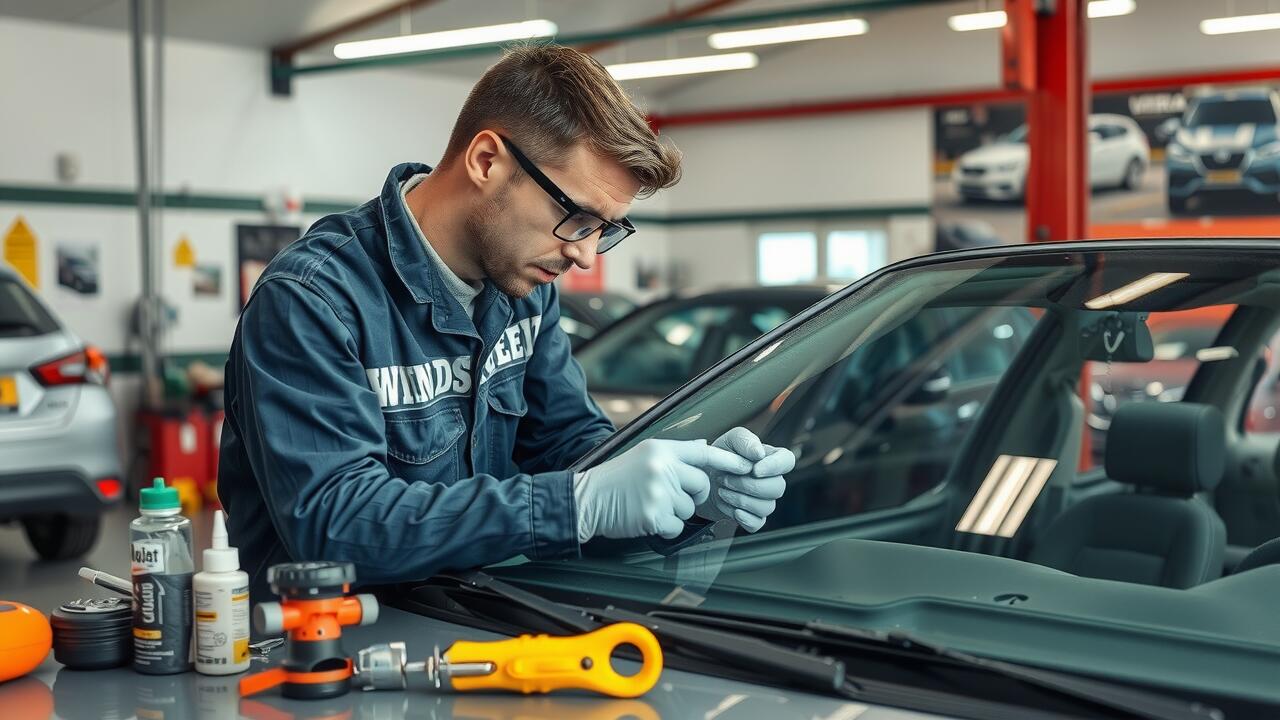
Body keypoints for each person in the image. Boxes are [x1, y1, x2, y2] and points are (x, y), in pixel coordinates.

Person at [218, 44, 794, 600]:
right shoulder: (313, 299)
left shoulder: (522, 290)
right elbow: (335, 522)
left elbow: (569, 444)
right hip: (326, 650)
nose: (584, 256)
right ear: (486, 162)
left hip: (473, 627)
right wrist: (573, 506)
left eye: (605, 230)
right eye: (576, 217)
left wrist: (686, 487)